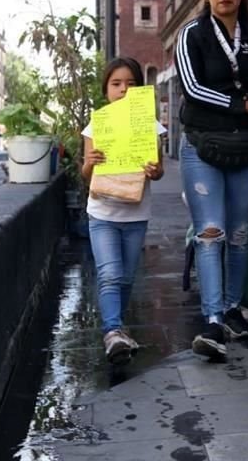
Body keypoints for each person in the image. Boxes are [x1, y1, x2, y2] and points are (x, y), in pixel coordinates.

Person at [175, 0, 248, 360]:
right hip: (203, 146)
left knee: (239, 235)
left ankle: (234, 309)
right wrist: (244, 106)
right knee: (211, 232)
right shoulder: (192, 35)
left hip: (246, 149)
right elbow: (193, 89)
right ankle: (213, 320)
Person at [81, 57, 165, 363]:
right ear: (106, 89)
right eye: (116, 84)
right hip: (102, 212)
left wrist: (155, 170)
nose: (123, 89)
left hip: (136, 213)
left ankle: (118, 329)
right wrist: (90, 163)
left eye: (131, 84)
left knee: (127, 277)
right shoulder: (97, 124)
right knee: (110, 273)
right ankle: (112, 331)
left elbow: (159, 171)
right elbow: (86, 176)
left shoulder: (150, 125)